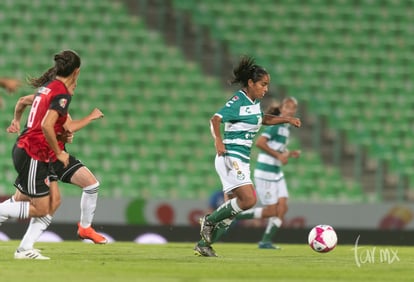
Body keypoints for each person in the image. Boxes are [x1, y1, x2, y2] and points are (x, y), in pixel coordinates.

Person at [193, 56, 301, 257]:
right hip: (229, 156)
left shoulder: (253, 104)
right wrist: (218, 140)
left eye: (267, 85)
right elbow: (215, 119)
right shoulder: (238, 100)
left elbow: (263, 119)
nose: (266, 89)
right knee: (250, 199)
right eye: (263, 84)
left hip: (241, 160)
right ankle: (209, 220)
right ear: (251, 83)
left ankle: (203, 245)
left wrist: (286, 118)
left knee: (232, 212)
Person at [0, 50, 80, 259]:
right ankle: (22, 246)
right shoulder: (60, 92)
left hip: (34, 151)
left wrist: (16, 121)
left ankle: (25, 248)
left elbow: (22, 101)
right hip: (34, 151)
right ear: (76, 72)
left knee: (53, 201)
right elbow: (46, 125)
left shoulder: (48, 88)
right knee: (42, 207)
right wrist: (59, 152)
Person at [6, 94, 107, 252]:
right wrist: (91, 117)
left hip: (58, 156)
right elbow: (68, 127)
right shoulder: (53, 100)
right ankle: (25, 247)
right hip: (40, 157)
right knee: (24, 201)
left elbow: (22, 102)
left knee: (91, 184)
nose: (71, 89)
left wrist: (16, 120)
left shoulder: (44, 99)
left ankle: (85, 228)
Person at [234, 97, 301, 249]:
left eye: (293, 108)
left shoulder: (285, 128)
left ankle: (265, 241)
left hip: (276, 172)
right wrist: (278, 156)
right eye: (288, 107)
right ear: (282, 108)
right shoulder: (276, 125)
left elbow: (277, 148)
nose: (291, 110)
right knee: (271, 211)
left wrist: (289, 154)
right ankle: (235, 215)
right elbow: (260, 142)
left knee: (283, 207)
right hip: (266, 172)